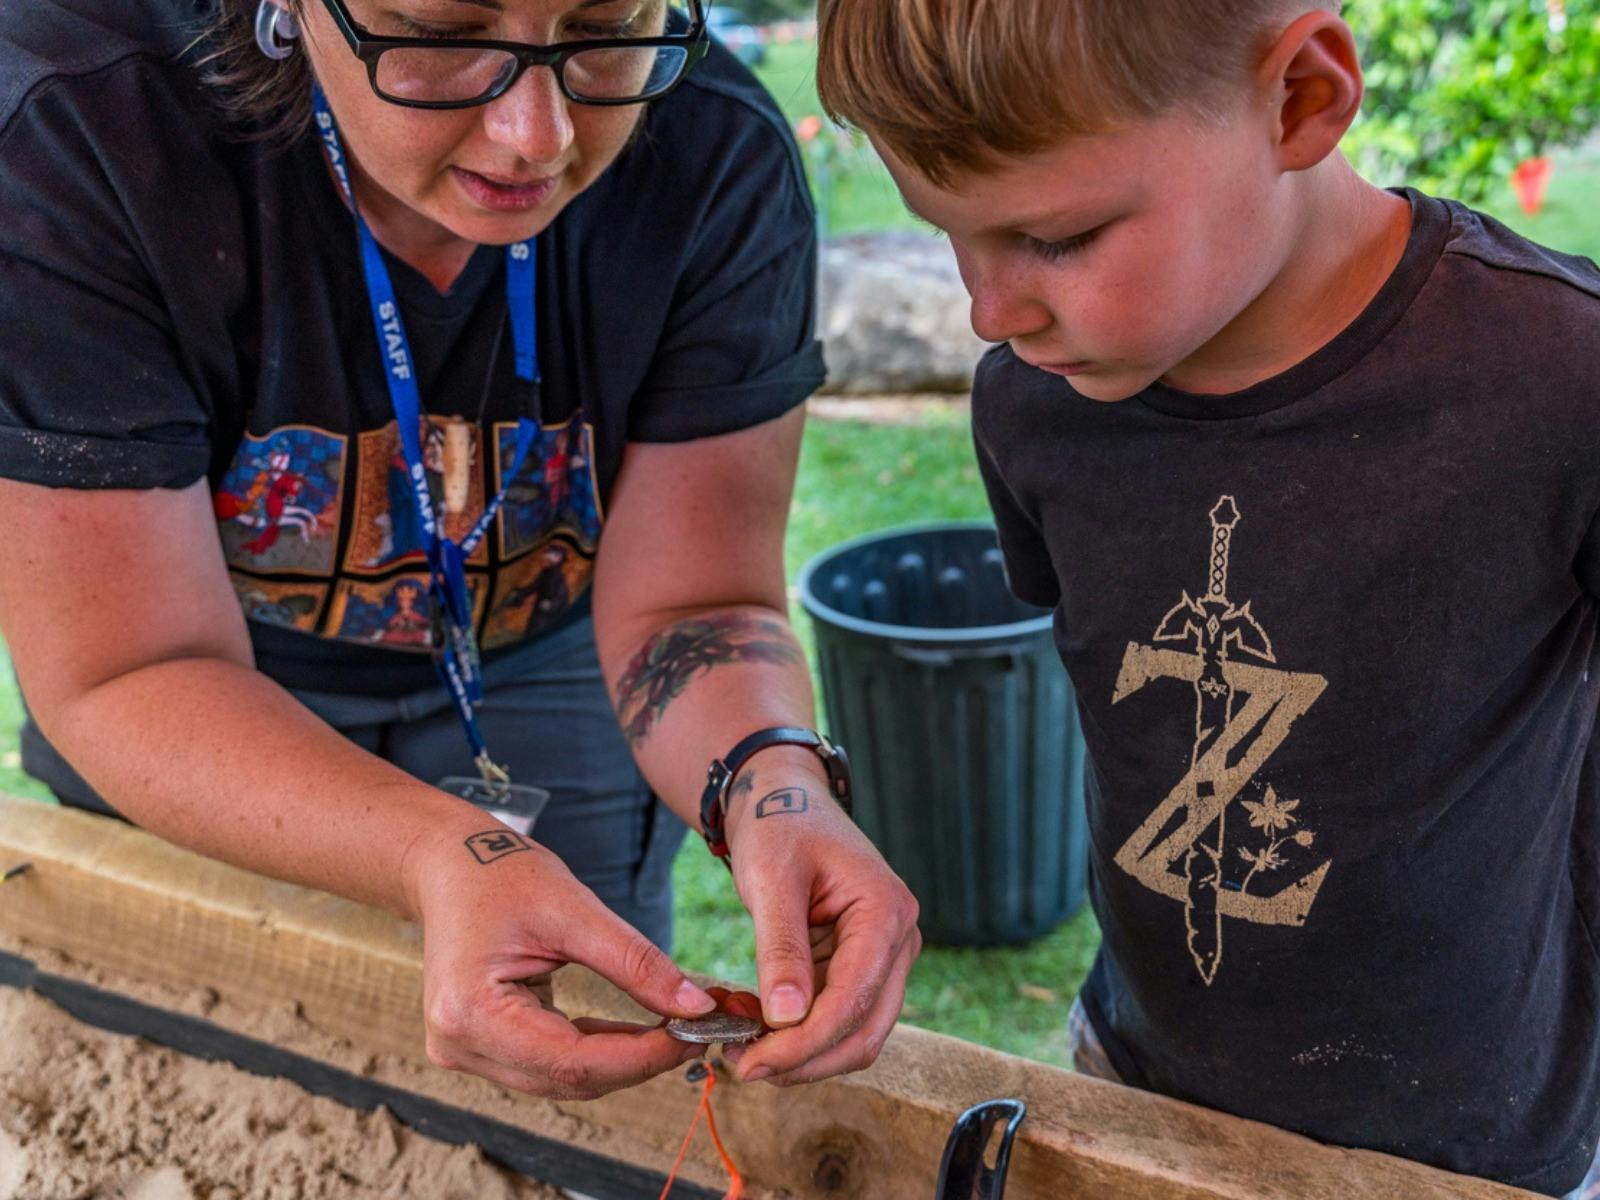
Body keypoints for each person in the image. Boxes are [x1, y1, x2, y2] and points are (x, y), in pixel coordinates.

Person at [0, 0, 920, 1100]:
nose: (535, 132)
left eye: (602, 28)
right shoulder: (77, 131)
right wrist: (445, 850)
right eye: (438, 34)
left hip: (547, 661)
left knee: (561, 1083)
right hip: (200, 695)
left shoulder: (715, 149)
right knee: (214, 1063)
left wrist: (771, 785)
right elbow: (125, 667)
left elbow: (697, 603)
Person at [816, 0, 1600, 1194]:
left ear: (1300, 99)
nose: (992, 312)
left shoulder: (1560, 380)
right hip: (1135, 1082)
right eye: (949, 237)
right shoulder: (1031, 407)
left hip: (1481, 1152)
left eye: (1060, 236)